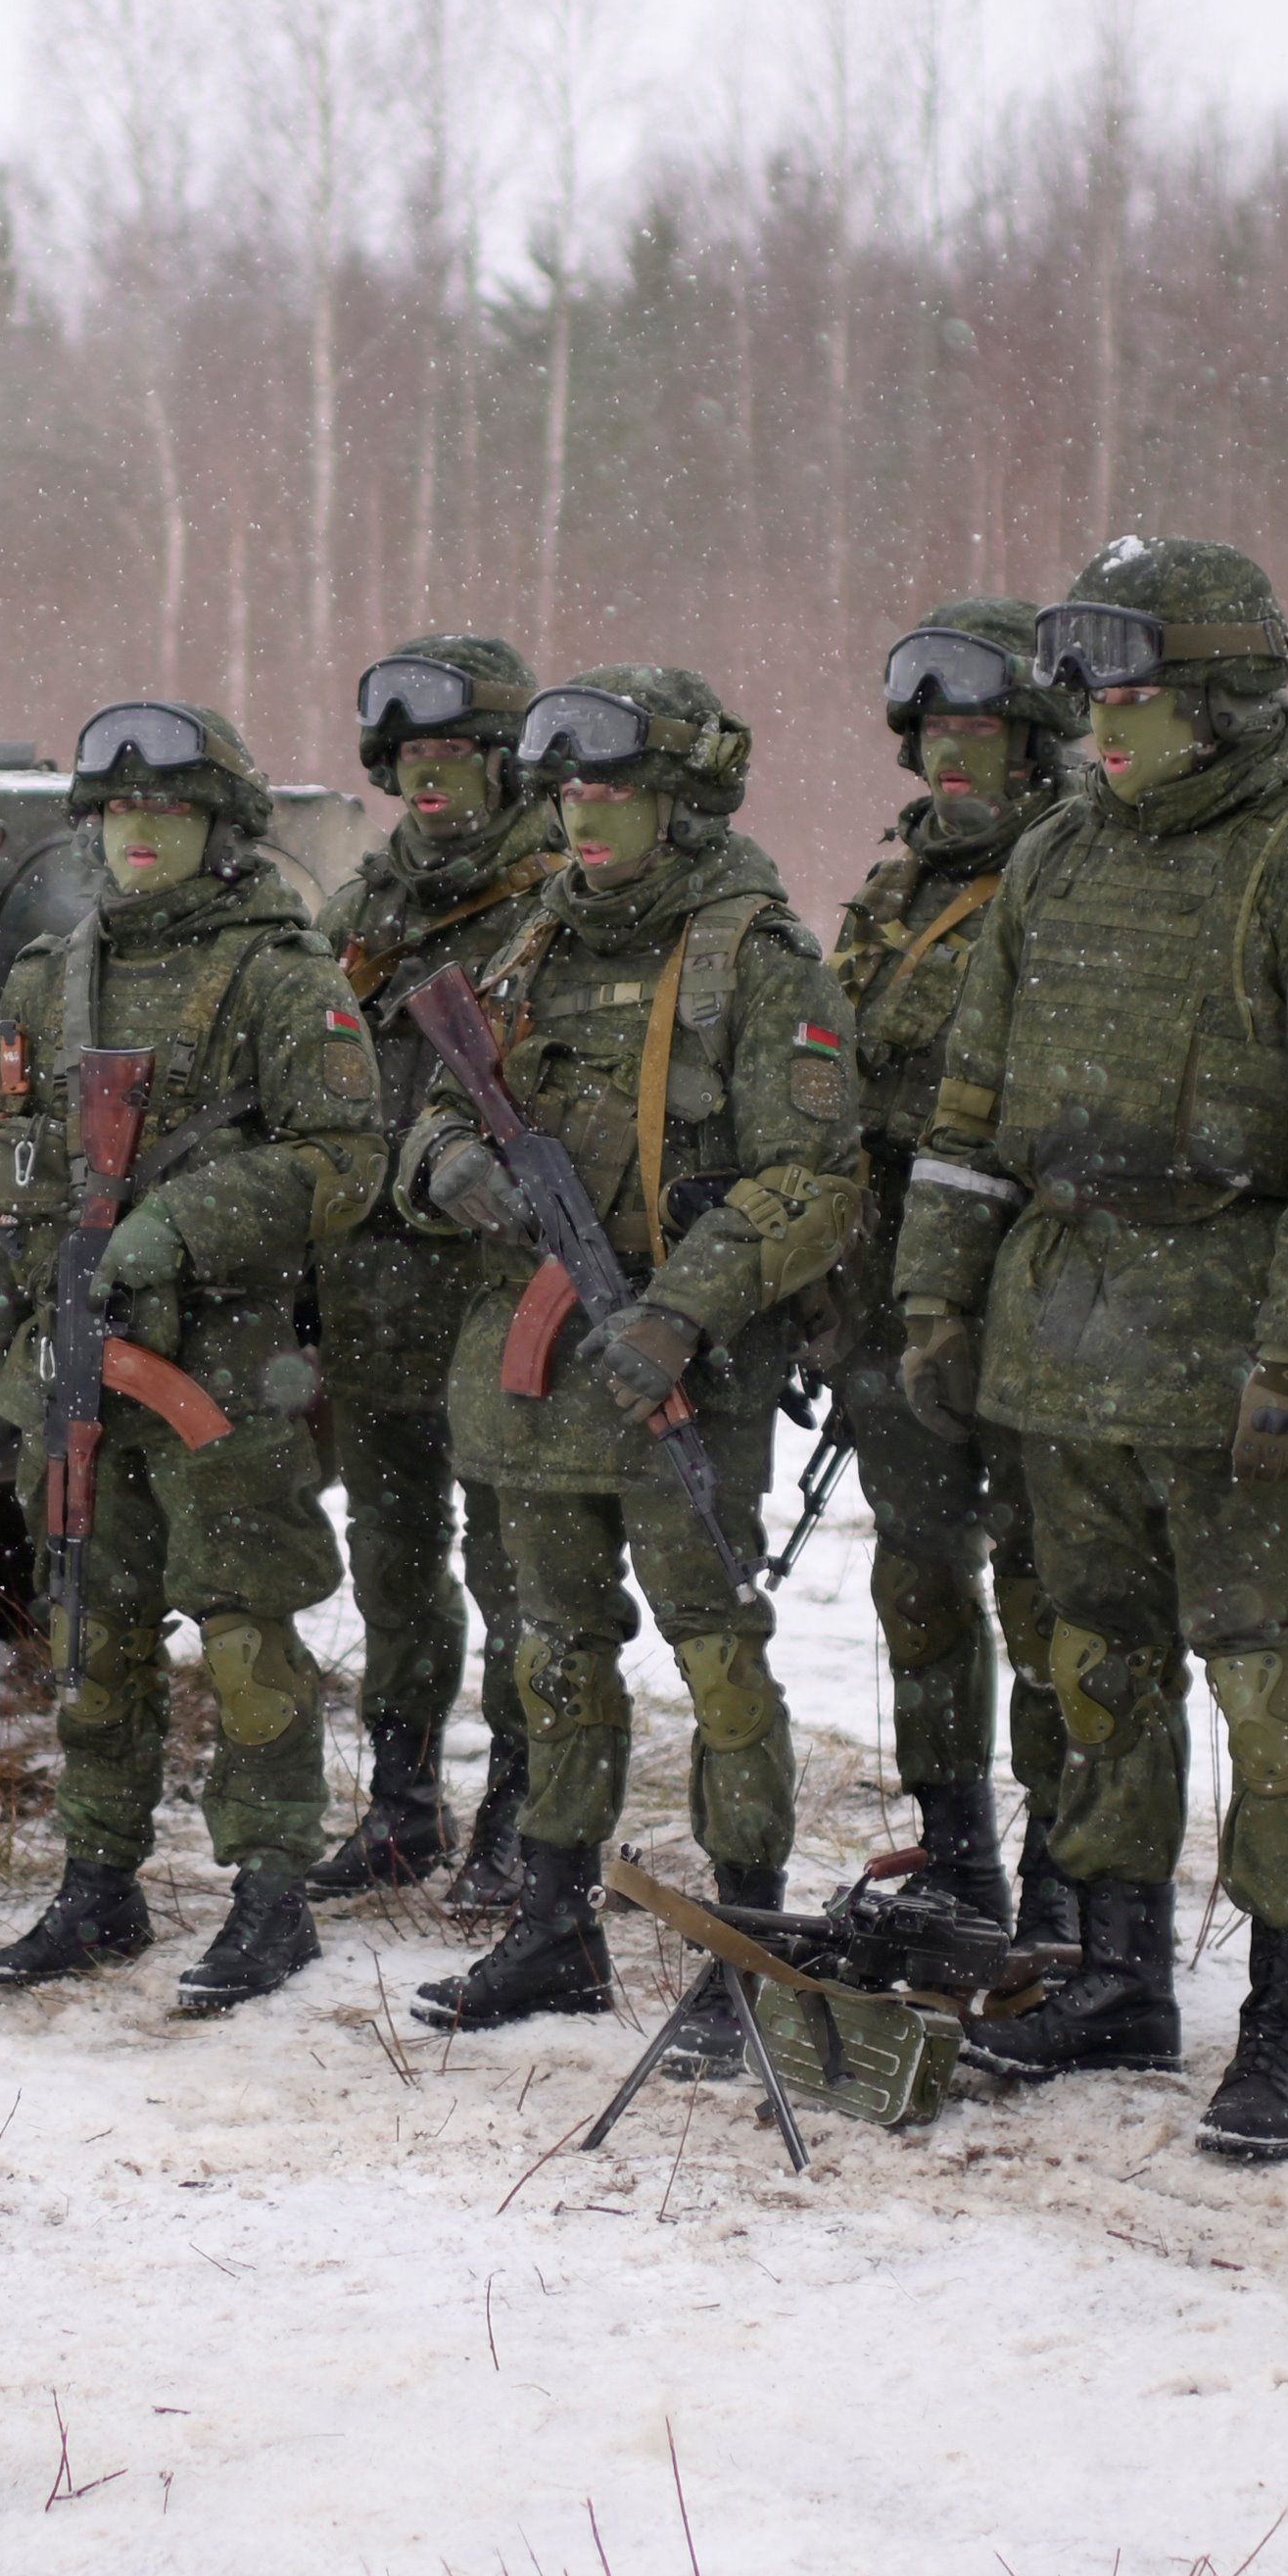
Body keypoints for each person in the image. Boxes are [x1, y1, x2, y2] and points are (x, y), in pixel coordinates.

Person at [887, 537, 1288, 2161]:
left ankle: (1283, 2023)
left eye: (1133, 698)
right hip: (1065, 1331)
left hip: (1229, 1334)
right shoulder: (1061, 855)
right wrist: (941, 1297)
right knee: (1097, 1669)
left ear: (1218, 697)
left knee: (1268, 1681)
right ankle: (1121, 1976)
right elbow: (971, 1107)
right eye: (1093, 698)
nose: (1103, 727)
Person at [395, 665, 870, 2031]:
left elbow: (816, 1176)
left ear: (681, 802)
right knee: (554, 1651)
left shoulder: (754, 957)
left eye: (616, 792)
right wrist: (450, 1175)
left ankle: (745, 1943)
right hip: (536, 1378)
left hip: (680, 1371)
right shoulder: (530, 945)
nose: (585, 816)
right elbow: (431, 1117)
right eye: (571, 792)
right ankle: (553, 1928)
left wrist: (679, 1310)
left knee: (719, 1649)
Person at [0, 702, 390, 2011]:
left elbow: (343, 1162)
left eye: (170, 813)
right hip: (78, 1354)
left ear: (220, 829)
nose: (139, 835)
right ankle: (100, 1879)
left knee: (247, 1626)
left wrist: (181, 1223)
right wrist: (3, 1342)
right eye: (120, 813)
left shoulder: (278, 976)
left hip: (225, 1367)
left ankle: (271, 1890)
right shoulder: (49, 975)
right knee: (93, 1624)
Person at [824, 601, 1084, 1933]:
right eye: (933, 734)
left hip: (1036, 1297)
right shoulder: (893, 887)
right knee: (920, 1580)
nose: (953, 760)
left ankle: (1069, 1874)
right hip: (889, 1303)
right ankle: (955, 1845)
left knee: (1057, 1602)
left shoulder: (1085, 876)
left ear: (1040, 739)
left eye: (980, 731)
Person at [312, 637, 557, 1909]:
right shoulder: (360, 915)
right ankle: (402, 1808)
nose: (430, 780)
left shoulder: (553, 904)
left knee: (518, 1567)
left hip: (499, 1293)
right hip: (370, 1295)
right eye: (411, 758)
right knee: (394, 1560)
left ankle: (520, 1811)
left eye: (456, 755)